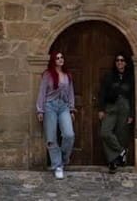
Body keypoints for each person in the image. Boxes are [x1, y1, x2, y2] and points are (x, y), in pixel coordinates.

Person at [36, 51, 75, 179]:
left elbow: (70, 94)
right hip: (50, 106)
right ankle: (57, 165)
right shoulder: (48, 75)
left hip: (63, 106)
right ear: (53, 60)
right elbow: (42, 92)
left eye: (62, 57)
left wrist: (71, 109)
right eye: (57, 58)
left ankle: (63, 159)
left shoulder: (67, 75)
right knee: (51, 138)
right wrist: (40, 110)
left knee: (69, 135)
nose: (60, 59)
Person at [98, 52, 135, 173]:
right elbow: (102, 93)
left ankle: (113, 162)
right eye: (117, 60)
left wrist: (131, 114)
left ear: (125, 62)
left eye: (122, 60)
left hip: (125, 107)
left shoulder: (130, 77)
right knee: (105, 132)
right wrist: (101, 109)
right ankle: (121, 151)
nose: (119, 62)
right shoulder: (109, 76)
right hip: (111, 106)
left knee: (121, 134)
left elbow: (133, 96)